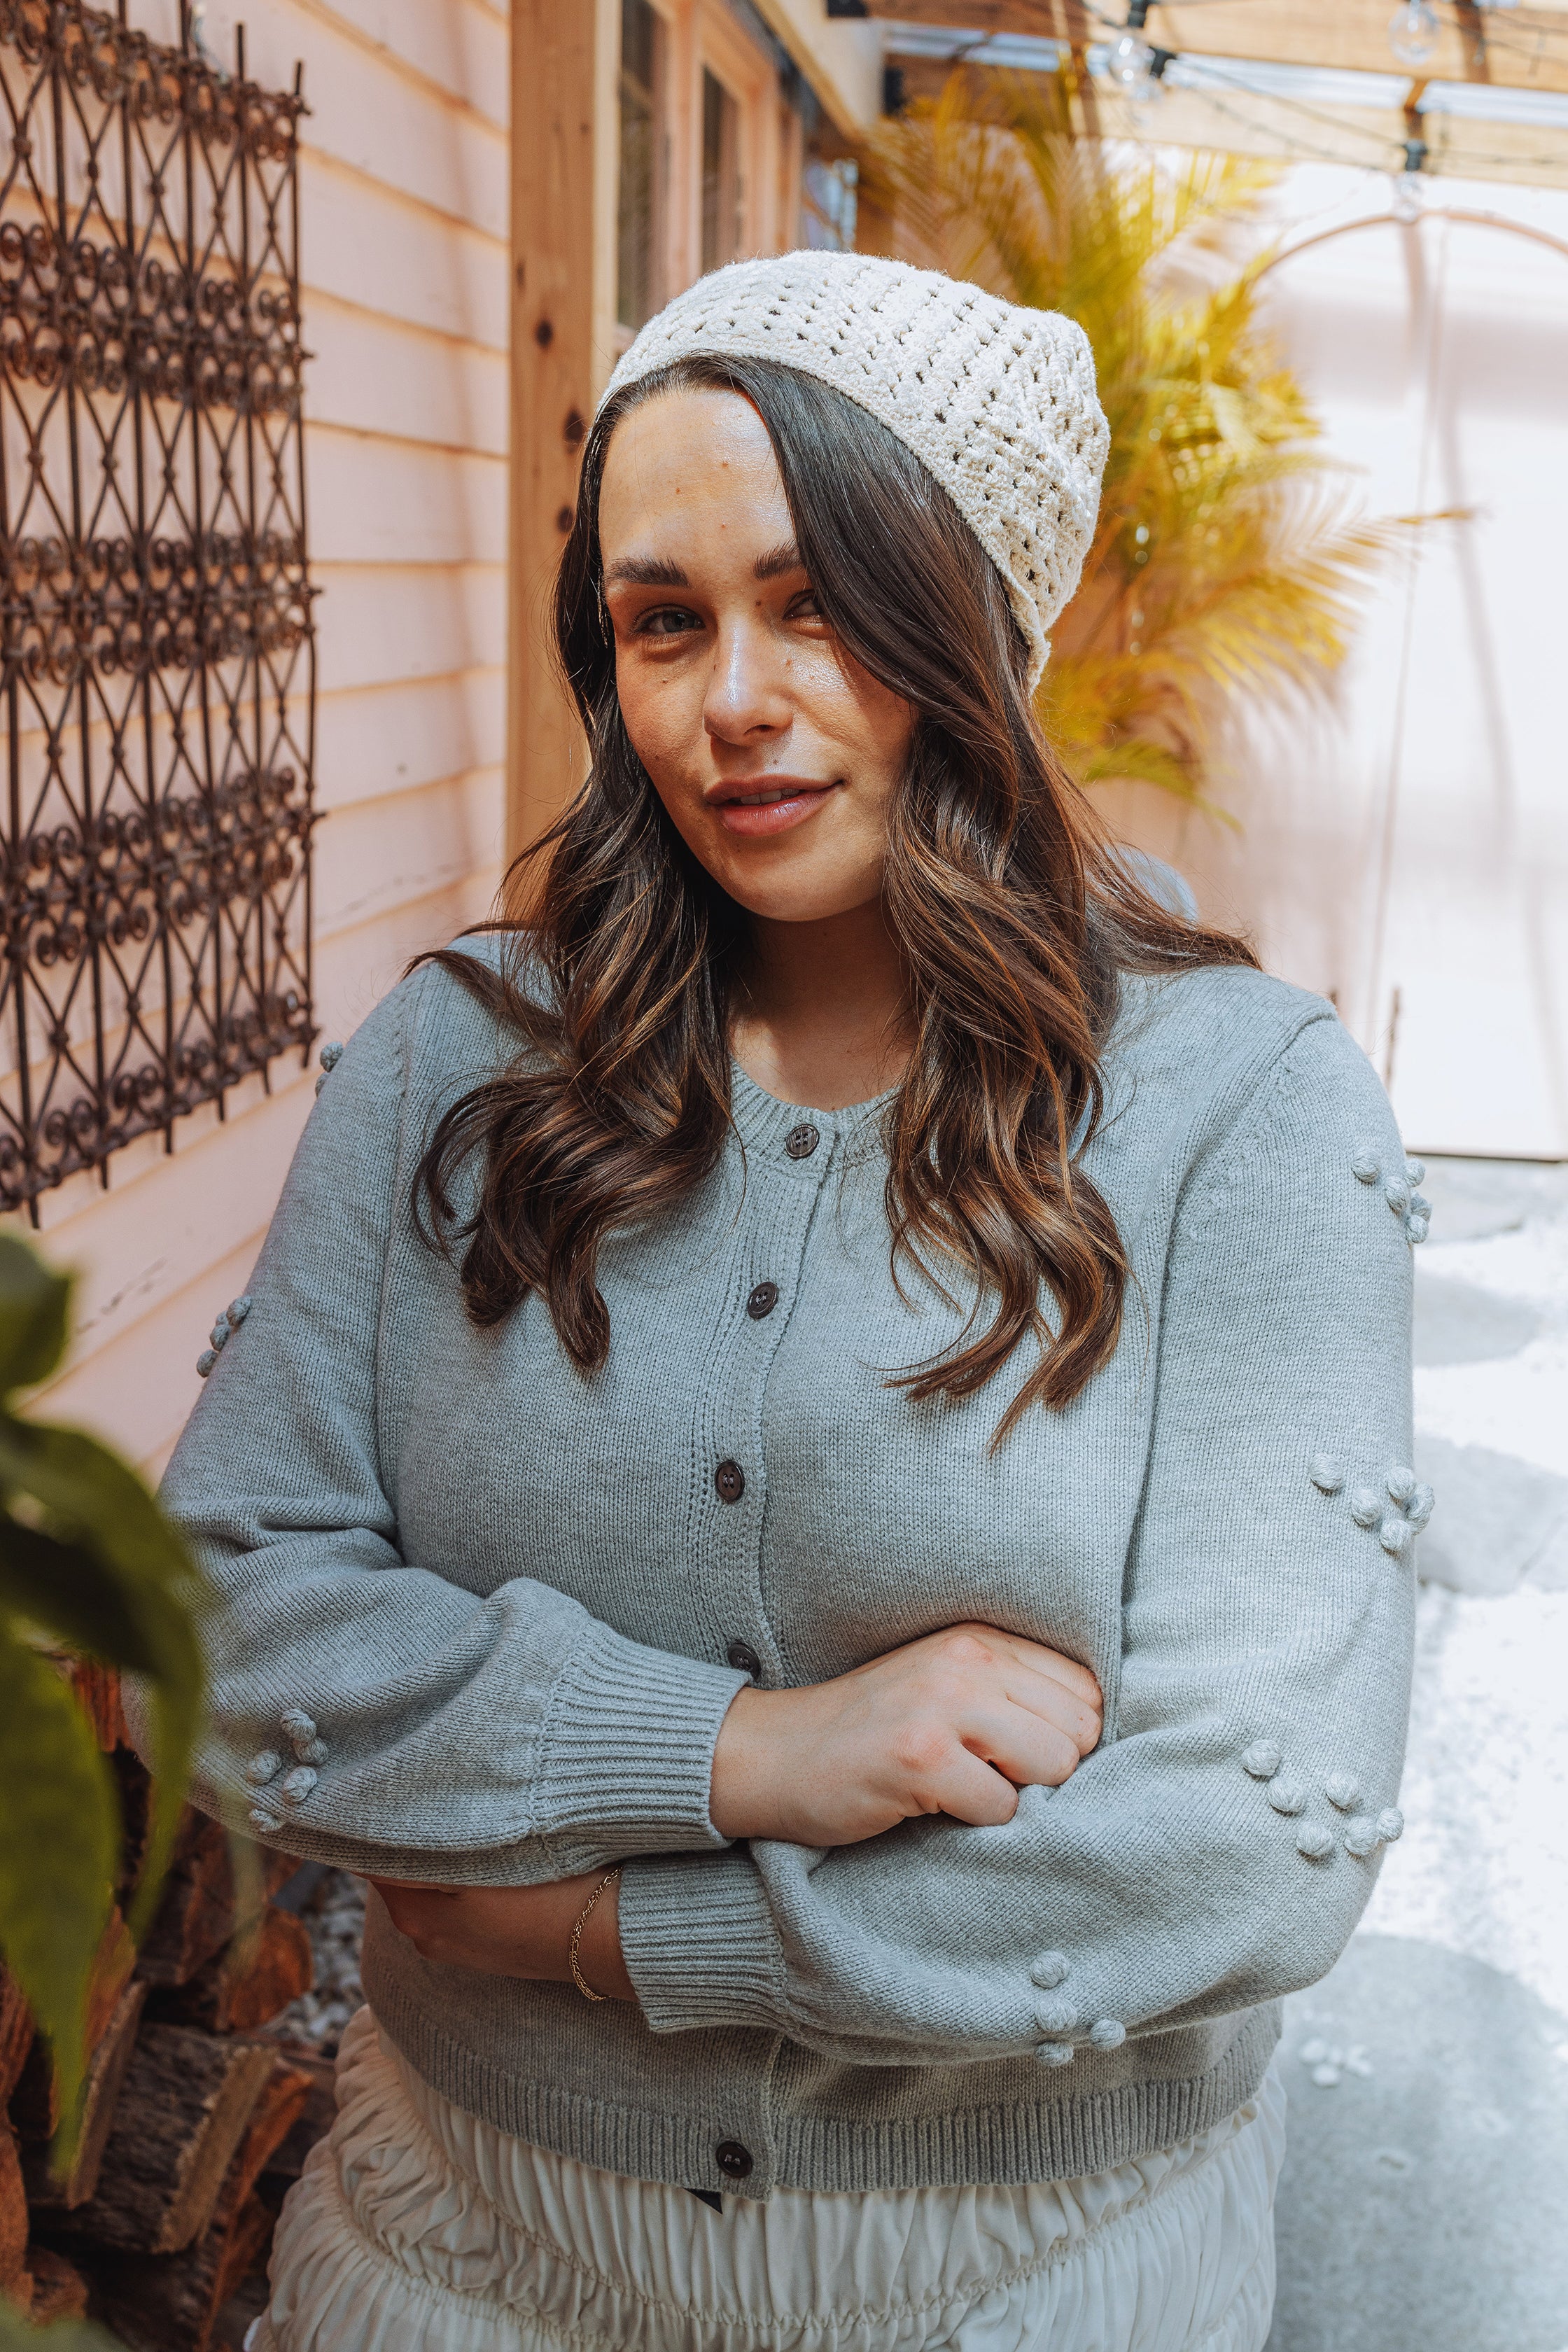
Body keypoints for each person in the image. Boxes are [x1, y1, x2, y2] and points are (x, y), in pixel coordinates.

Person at [156, 250, 1419, 2352]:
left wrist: (621, 1935)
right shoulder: (457, 1063)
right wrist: (746, 1751)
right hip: (450, 2260)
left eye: (816, 604)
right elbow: (210, 1612)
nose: (730, 698)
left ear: (976, 625)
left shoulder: (1242, 1111)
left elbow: (1250, 1842)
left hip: (1030, 2287)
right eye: (663, 621)